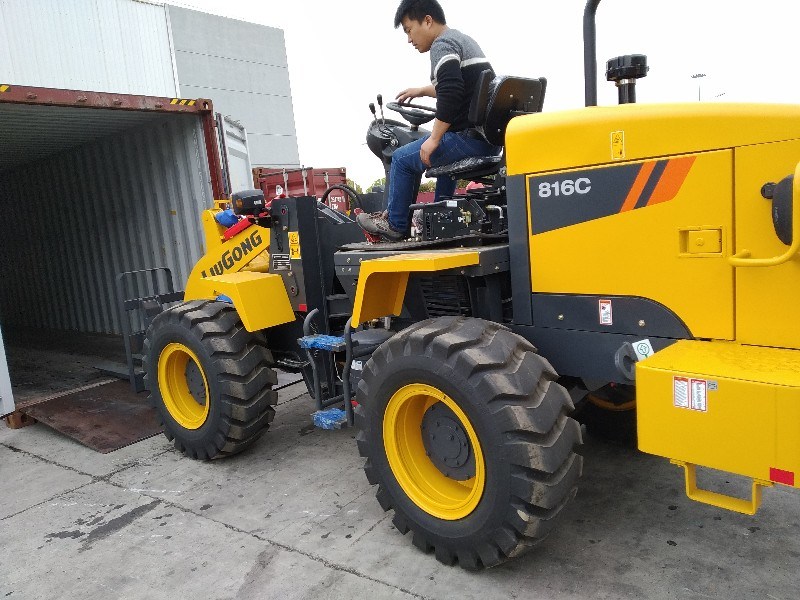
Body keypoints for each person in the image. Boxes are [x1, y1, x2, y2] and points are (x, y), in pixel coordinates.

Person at [357, 0, 499, 241]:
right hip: (488, 140)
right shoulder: (462, 40)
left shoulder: (441, 45)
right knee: (439, 157)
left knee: (402, 159)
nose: (409, 39)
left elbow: (452, 93)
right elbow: (462, 86)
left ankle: (394, 224)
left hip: (468, 138)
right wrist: (423, 90)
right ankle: (440, 218)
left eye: (409, 30)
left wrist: (434, 138)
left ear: (428, 21)